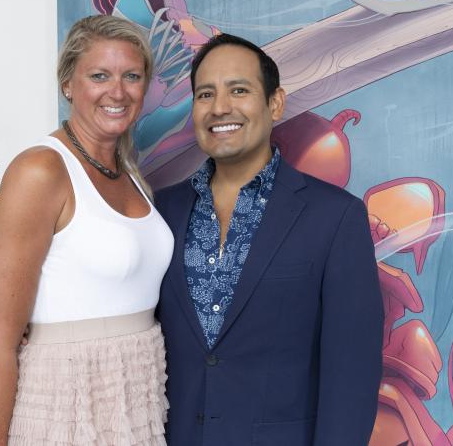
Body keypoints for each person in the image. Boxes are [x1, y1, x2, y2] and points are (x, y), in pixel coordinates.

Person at [154, 33, 383, 445]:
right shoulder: (159, 213)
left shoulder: (335, 218)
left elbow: (352, 377)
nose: (219, 107)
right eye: (205, 94)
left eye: (238, 90)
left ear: (275, 103)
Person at [0, 15, 174, 446]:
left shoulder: (129, 173)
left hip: (137, 397)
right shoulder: (40, 170)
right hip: (65, 402)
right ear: (68, 83)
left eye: (132, 76)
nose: (117, 91)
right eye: (99, 76)